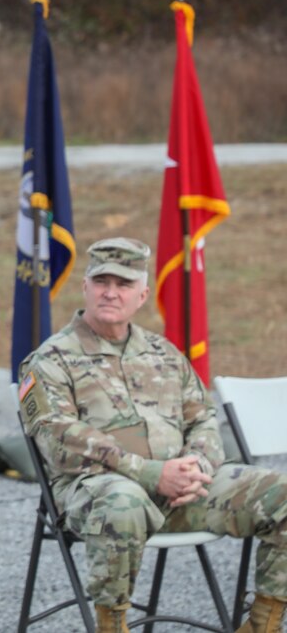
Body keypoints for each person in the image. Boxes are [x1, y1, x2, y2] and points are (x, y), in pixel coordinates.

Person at [18, 237, 287, 633]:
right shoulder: (51, 359)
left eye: (124, 284)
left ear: (142, 295)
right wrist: (149, 472)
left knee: (283, 492)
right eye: (102, 281)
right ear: (85, 287)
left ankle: (263, 623)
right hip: (98, 495)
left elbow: (203, 419)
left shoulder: (164, 353)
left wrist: (194, 468)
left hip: (181, 494)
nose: (111, 292)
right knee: (122, 501)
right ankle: (113, 625)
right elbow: (57, 435)